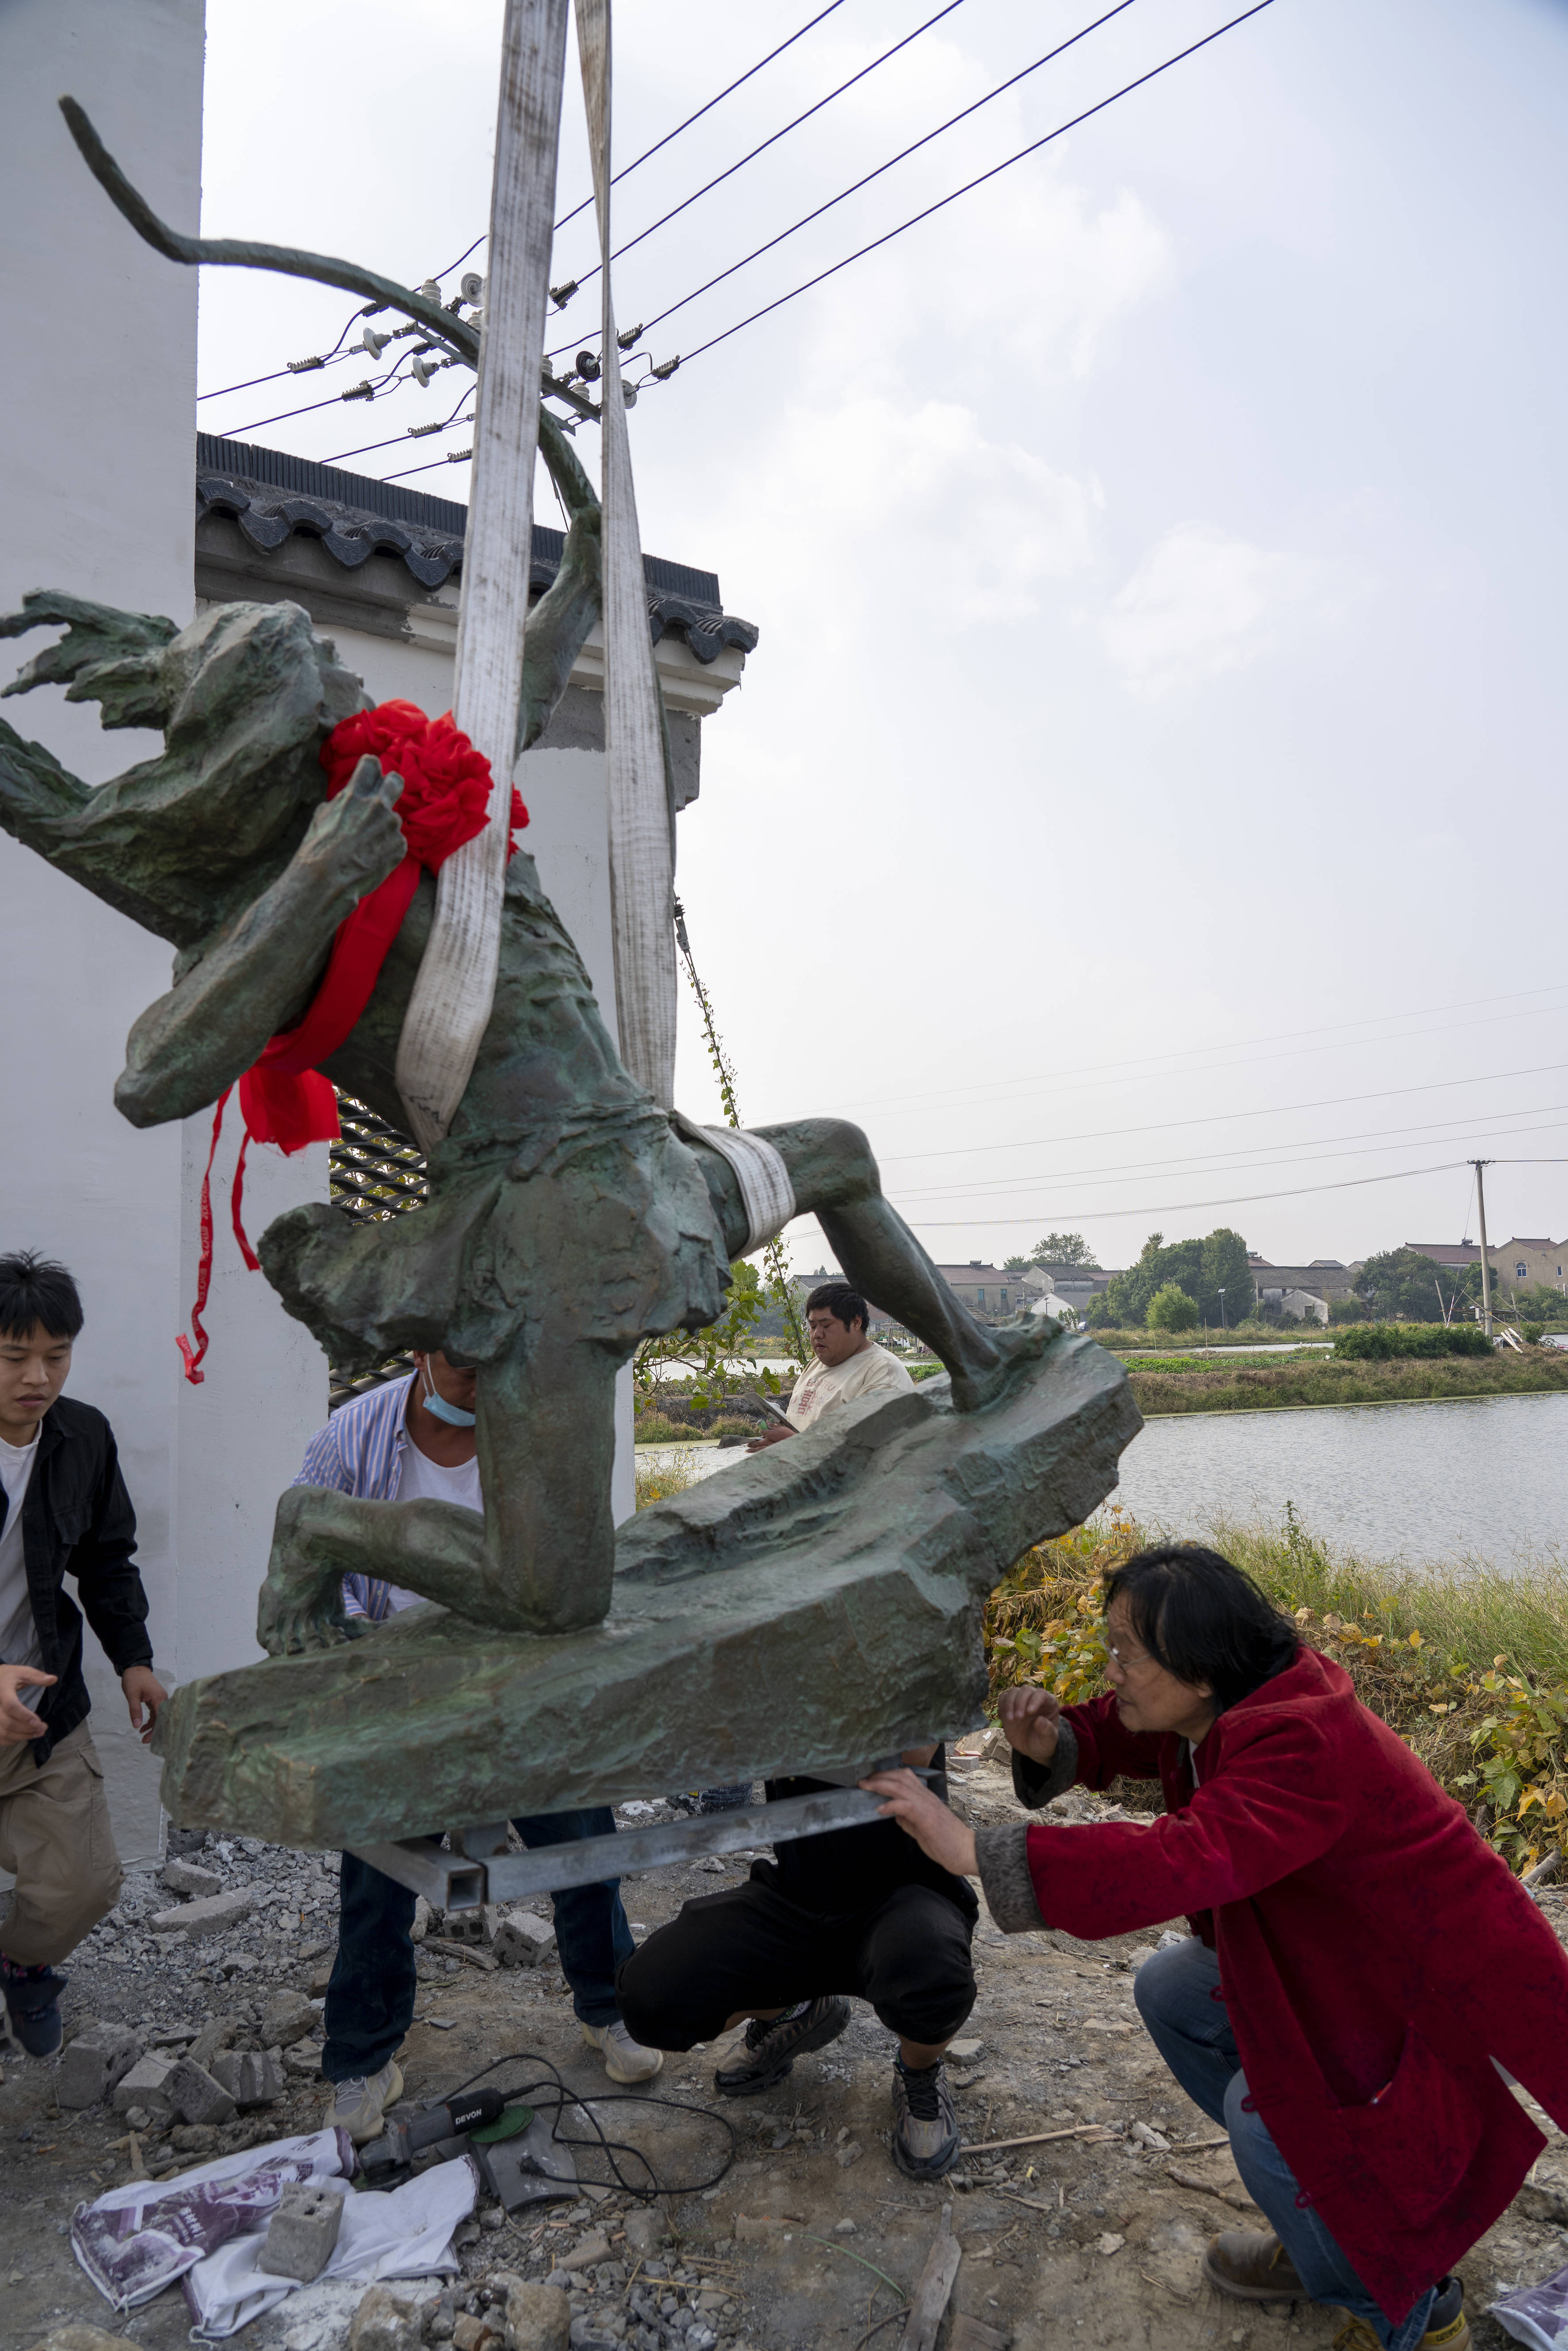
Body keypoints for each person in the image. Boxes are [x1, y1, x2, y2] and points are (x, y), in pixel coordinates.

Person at [865, 1544, 1568, 2351]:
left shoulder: (1302, 1738)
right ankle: (1331, 2234)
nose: (1112, 1671)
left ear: (1199, 1670)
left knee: (1269, 2126)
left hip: (1443, 1991)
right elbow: (1128, 1735)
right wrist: (1048, 1743)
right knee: (1170, 1988)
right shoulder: (1221, 1702)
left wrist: (970, 1847)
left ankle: (1411, 2311)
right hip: (1347, 1962)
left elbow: (1184, 1857)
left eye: (1126, 1652)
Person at [297, 1348, 663, 2140]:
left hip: (521, 1684)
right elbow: (310, 1566)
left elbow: (578, 1560)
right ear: (424, 1353)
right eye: (466, 1368)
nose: (485, 1386)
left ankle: (611, 2009)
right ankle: (362, 2056)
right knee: (377, 1873)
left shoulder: (536, 1432)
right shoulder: (353, 1436)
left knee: (585, 1846)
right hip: (401, 1689)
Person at [615, 1740, 976, 2180]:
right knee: (652, 1995)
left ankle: (918, 2071)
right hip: (799, 1893)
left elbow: (911, 1756)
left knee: (930, 1971)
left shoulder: (905, 1674)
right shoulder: (771, 1677)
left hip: (906, 1893)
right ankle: (797, 2010)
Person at [0, 1251, 166, 2057]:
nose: (37, 1376)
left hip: (41, 1712)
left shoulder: (82, 1437)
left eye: (55, 1356)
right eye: (14, 1356)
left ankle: (23, 1966)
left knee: (84, 1885)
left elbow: (105, 1557)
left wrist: (133, 1656)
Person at [746, 1283, 915, 1451]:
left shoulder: (885, 1374)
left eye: (826, 1326)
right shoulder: (817, 1364)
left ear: (856, 1322)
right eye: (813, 1327)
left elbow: (866, 1455)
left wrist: (792, 1444)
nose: (817, 1334)